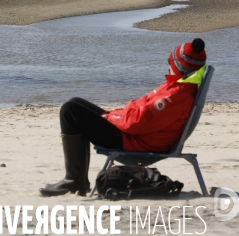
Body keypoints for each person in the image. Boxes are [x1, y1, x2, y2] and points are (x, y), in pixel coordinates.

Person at [39, 39, 207, 197]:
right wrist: (114, 115)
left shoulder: (174, 96)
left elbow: (133, 124)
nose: (168, 65)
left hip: (136, 143)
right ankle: (77, 180)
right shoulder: (180, 86)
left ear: (177, 65)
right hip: (138, 135)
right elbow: (139, 111)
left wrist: (111, 117)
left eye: (170, 60)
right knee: (76, 103)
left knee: (70, 111)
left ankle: (74, 181)